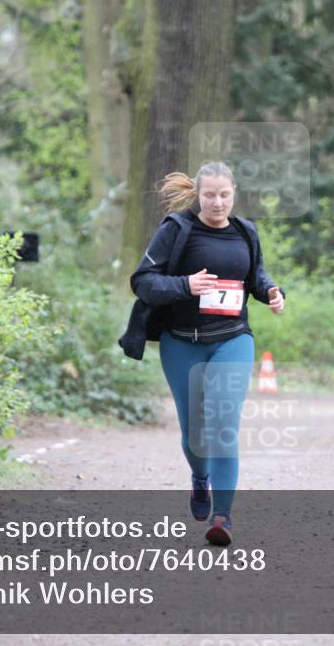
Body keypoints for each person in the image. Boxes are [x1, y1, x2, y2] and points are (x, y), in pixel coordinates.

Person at [119, 161, 285, 545]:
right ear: (198, 195)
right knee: (195, 435)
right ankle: (200, 478)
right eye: (209, 195)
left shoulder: (246, 232)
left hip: (232, 338)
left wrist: (272, 291)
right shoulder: (177, 230)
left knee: (224, 426)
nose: (217, 202)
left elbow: (255, 276)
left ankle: (222, 518)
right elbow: (143, 282)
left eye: (224, 195)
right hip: (182, 342)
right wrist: (186, 285)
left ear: (234, 193)